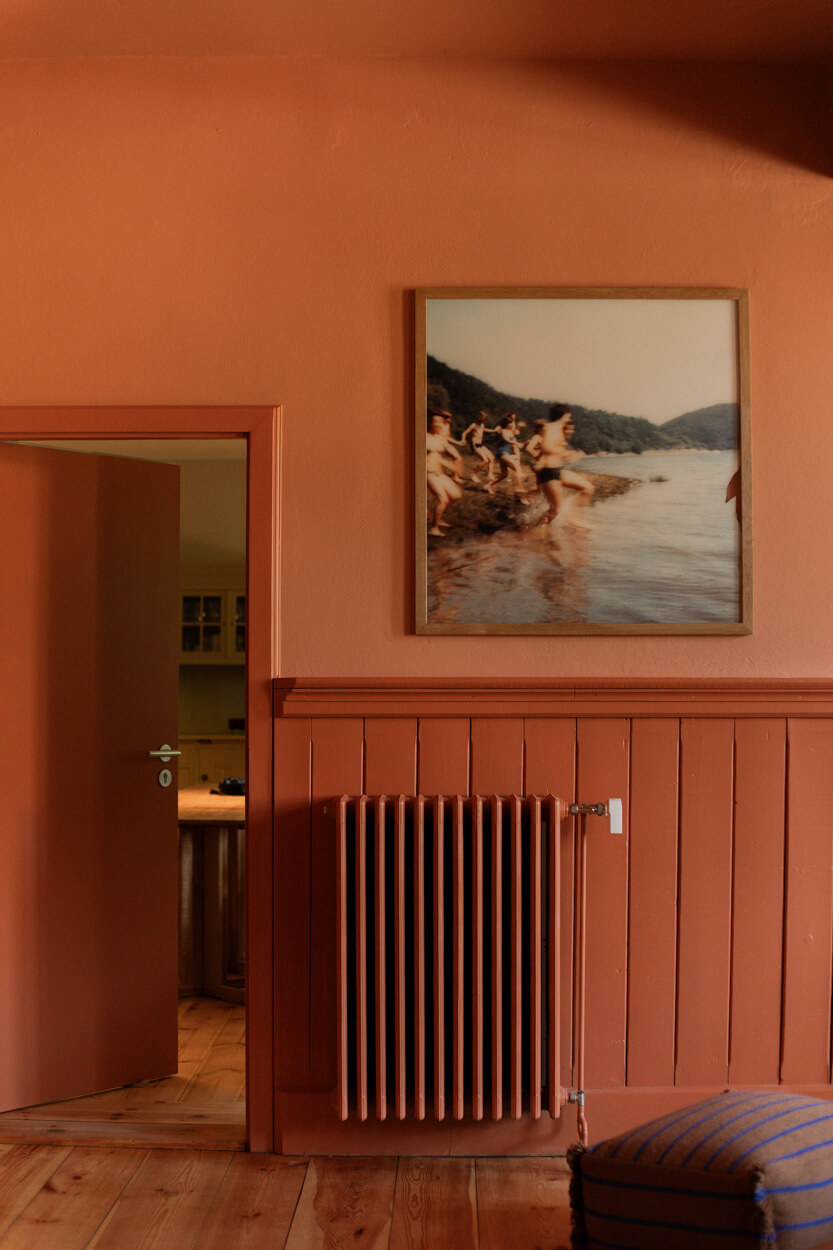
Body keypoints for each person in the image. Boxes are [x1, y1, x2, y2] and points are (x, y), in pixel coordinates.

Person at [532, 403, 595, 526]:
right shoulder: (550, 428)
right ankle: (535, 531)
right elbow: (546, 447)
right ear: (563, 416)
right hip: (549, 472)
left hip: (557, 470)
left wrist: (569, 454)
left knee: (588, 488)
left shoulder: (558, 429)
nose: (569, 420)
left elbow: (554, 448)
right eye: (568, 417)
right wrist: (566, 453)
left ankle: (574, 516)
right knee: (555, 510)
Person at [426, 414, 462, 535]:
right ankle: (434, 528)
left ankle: (436, 516)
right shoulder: (424, 436)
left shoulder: (441, 440)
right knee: (443, 499)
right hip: (427, 472)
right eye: (435, 421)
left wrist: (454, 471)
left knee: (455, 495)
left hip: (438, 472)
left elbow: (456, 457)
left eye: (440, 422)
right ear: (430, 423)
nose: (438, 424)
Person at [490, 413, 528, 493]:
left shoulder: (511, 432)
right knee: (517, 468)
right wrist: (516, 443)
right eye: (510, 423)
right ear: (506, 424)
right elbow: (506, 440)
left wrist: (524, 443)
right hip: (502, 453)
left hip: (507, 453)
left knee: (504, 474)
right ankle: (518, 487)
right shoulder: (503, 431)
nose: (512, 424)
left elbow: (514, 441)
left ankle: (488, 486)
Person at [461, 411, 497, 490]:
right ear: (479, 417)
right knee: (485, 460)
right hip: (474, 444)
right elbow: (465, 432)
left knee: (491, 457)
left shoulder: (482, 425)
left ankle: (490, 474)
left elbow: (485, 430)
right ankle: (473, 474)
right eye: (483, 419)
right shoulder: (473, 425)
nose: (484, 421)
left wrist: (494, 431)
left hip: (480, 444)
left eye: (485, 419)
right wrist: (463, 440)